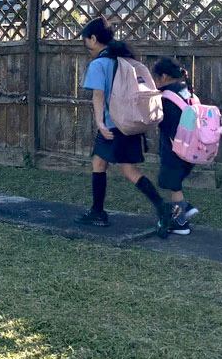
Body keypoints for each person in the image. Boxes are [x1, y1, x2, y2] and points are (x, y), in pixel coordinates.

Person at [78, 17, 171, 237]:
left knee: (109, 165)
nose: (87, 47)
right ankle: (160, 207)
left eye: (86, 42)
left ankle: (99, 213)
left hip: (112, 125)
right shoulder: (125, 59)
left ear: (94, 39)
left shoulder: (99, 64)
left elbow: (98, 95)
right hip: (131, 123)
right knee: (115, 166)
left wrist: (100, 123)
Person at [153, 57, 200, 235]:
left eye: (156, 77)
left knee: (174, 185)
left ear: (164, 76)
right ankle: (183, 212)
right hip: (192, 147)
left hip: (175, 149)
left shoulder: (166, 97)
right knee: (175, 184)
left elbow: (165, 124)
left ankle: (181, 221)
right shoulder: (187, 91)